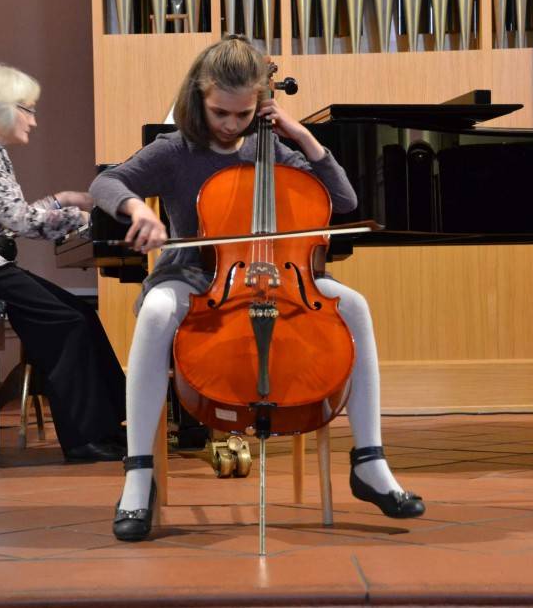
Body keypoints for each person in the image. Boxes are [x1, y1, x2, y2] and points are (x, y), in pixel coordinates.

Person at [89, 36, 425, 541]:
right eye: (220, 112)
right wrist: (137, 208)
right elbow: (107, 184)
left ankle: (370, 462)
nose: (230, 125)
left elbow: (344, 200)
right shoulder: (176, 149)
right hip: (197, 275)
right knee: (157, 311)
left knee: (354, 305)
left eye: (242, 114)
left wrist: (302, 137)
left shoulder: (274, 150)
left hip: (282, 279)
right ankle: (139, 476)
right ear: (198, 97)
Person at [0, 62, 126, 463]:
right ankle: (87, 440)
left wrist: (62, 200)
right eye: (28, 109)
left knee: (78, 312)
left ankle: (110, 425)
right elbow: (20, 222)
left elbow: (6, 216)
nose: (33, 121)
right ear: (1, 107)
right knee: (65, 321)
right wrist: (82, 219)